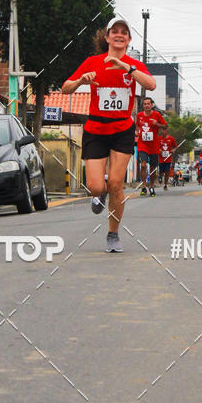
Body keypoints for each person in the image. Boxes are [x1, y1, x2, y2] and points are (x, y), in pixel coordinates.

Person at [62, 17, 156, 252]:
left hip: (122, 129)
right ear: (107, 37)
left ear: (129, 39)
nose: (119, 35)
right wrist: (80, 81)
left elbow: (151, 84)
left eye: (124, 32)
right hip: (96, 129)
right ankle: (99, 194)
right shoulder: (93, 62)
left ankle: (113, 234)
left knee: (116, 183)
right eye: (115, 31)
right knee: (95, 187)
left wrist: (127, 68)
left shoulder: (133, 65)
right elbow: (65, 88)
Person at [136, 97, 167, 196]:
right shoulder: (139, 115)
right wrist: (137, 132)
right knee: (143, 165)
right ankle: (144, 186)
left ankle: (151, 186)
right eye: (144, 104)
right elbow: (137, 126)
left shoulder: (156, 115)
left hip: (154, 145)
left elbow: (165, 125)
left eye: (148, 104)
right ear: (143, 106)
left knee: (153, 168)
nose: (146, 105)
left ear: (151, 105)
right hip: (143, 144)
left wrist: (157, 124)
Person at [158, 125, 177, 190]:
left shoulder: (171, 138)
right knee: (161, 171)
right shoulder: (159, 139)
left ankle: (165, 185)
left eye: (165, 130)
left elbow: (175, 146)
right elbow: (156, 147)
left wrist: (173, 150)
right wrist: (159, 150)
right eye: (162, 130)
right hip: (161, 159)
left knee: (167, 172)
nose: (163, 131)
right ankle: (160, 177)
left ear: (167, 131)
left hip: (168, 158)